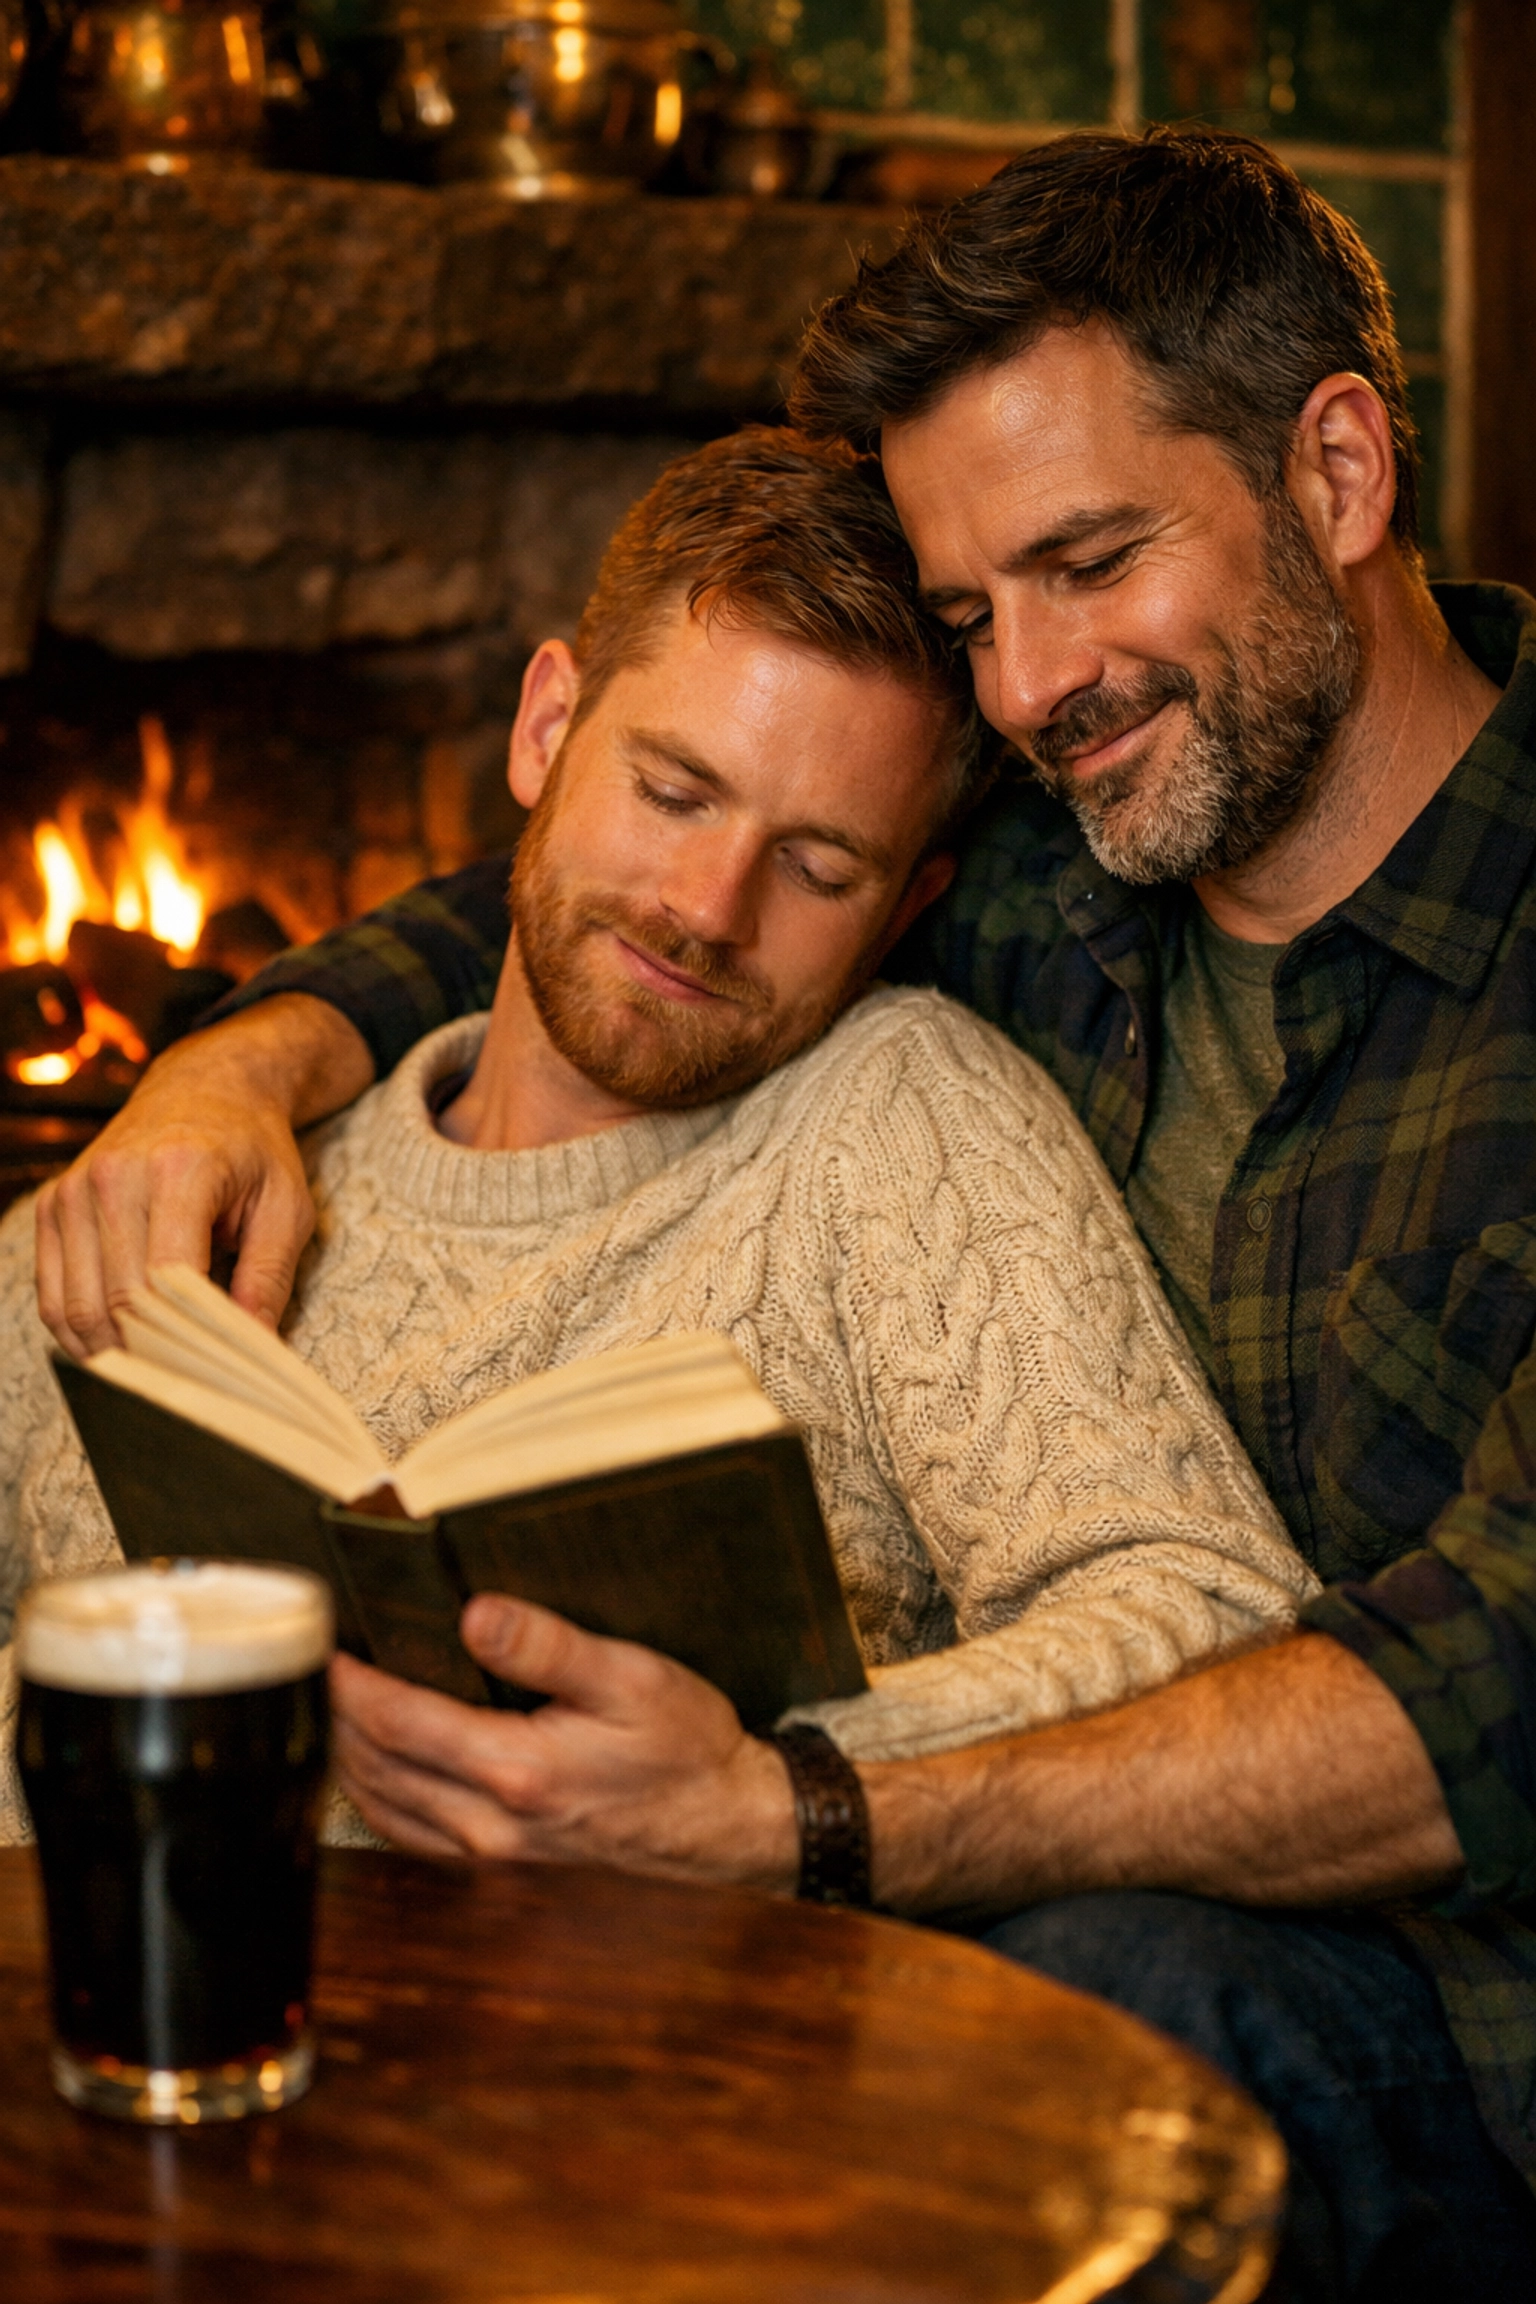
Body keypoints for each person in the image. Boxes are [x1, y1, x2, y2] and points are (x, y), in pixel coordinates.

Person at [31, 130, 1536, 2298]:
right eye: (971, 616)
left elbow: (1496, 1702)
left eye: (1091, 559)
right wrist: (236, 1059)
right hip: (1069, 1888)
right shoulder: (1059, 858)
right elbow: (612, 909)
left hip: (1473, 2026)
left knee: (1083, 1997)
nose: (1029, 687)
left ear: (1336, 470)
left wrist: (794, 1818)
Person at [0, 426, 1308, 1861]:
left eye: (818, 867)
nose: (704, 905)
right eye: (673, 792)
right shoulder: (179, 1177)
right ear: (546, 729)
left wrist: (764, 1782)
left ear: (909, 900)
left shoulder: (895, 1124)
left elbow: (1208, 1610)